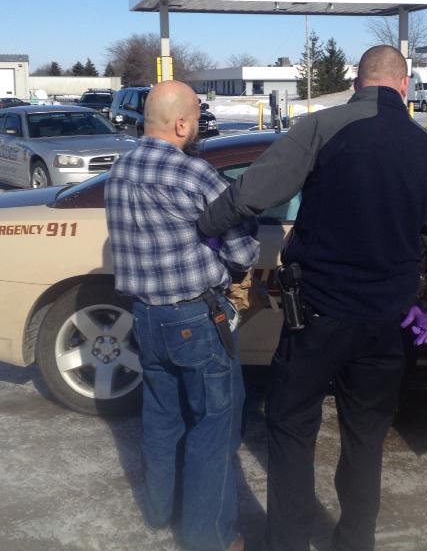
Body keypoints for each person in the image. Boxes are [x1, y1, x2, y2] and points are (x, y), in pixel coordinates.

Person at [198, 45, 427, 551]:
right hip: (387, 320)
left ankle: (288, 541)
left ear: (357, 83)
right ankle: (354, 541)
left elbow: (253, 191)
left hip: (317, 316)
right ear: (404, 86)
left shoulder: (321, 128)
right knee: (366, 439)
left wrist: (207, 225)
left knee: (290, 425)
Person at [105, 80, 259, 551]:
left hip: (146, 318)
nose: (196, 128)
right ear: (181, 124)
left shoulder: (119, 169)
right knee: (214, 429)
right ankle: (208, 538)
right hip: (197, 318)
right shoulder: (195, 176)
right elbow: (243, 248)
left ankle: (159, 510)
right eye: (195, 118)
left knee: (161, 418)